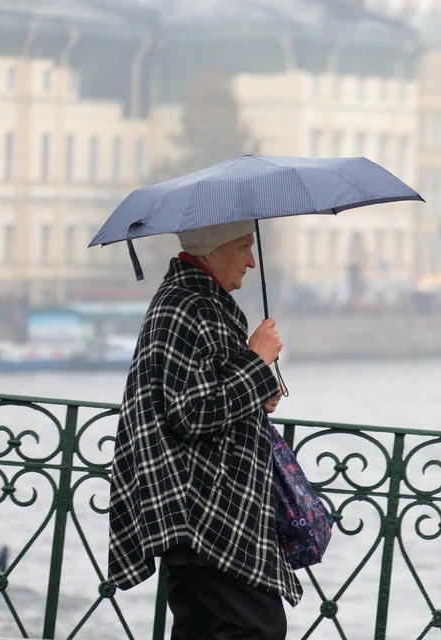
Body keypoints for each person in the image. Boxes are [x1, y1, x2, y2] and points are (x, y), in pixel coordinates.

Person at [108, 220, 299, 640]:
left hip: (199, 503)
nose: (251, 261)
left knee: (201, 628)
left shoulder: (199, 301)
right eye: (243, 247)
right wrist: (256, 362)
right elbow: (192, 412)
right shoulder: (187, 306)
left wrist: (260, 388)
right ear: (212, 251)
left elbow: (206, 391)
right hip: (201, 507)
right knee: (258, 626)